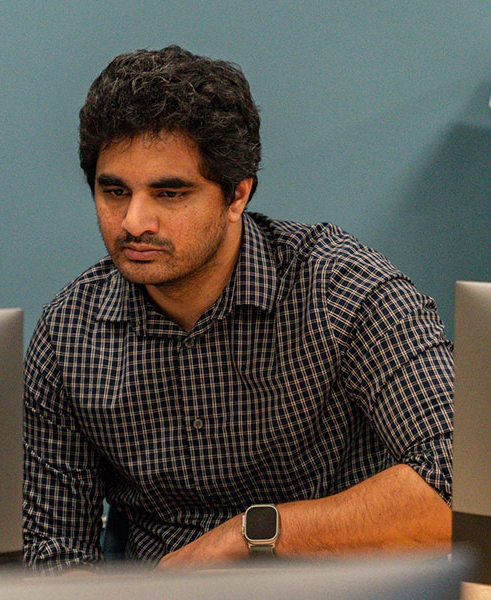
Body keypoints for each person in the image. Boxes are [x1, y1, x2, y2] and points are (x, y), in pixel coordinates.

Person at [23, 46, 452, 572]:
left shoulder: (342, 289)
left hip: (336, 586)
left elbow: (462, 486)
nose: (134, 221)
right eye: (114, 191)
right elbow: (53, 554)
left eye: (170, 193)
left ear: (237, 195)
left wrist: (251, 534)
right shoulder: (70, 333)